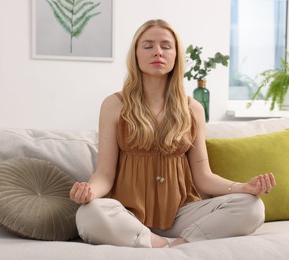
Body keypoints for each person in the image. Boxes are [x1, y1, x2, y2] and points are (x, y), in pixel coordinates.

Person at [69, 19, 276, 248]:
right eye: (148, 46)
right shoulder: (114, 105)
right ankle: (159, 244)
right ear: (135, 55)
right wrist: (90, 192)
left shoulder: (193, 109)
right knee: (88, 214)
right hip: (128, 214)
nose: (157, 52)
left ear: (176, 55)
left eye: (166, 46)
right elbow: (105, 174)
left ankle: (180, 242)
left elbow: (204, 177)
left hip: (182, 215)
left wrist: (243, 188)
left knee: (252, 207)